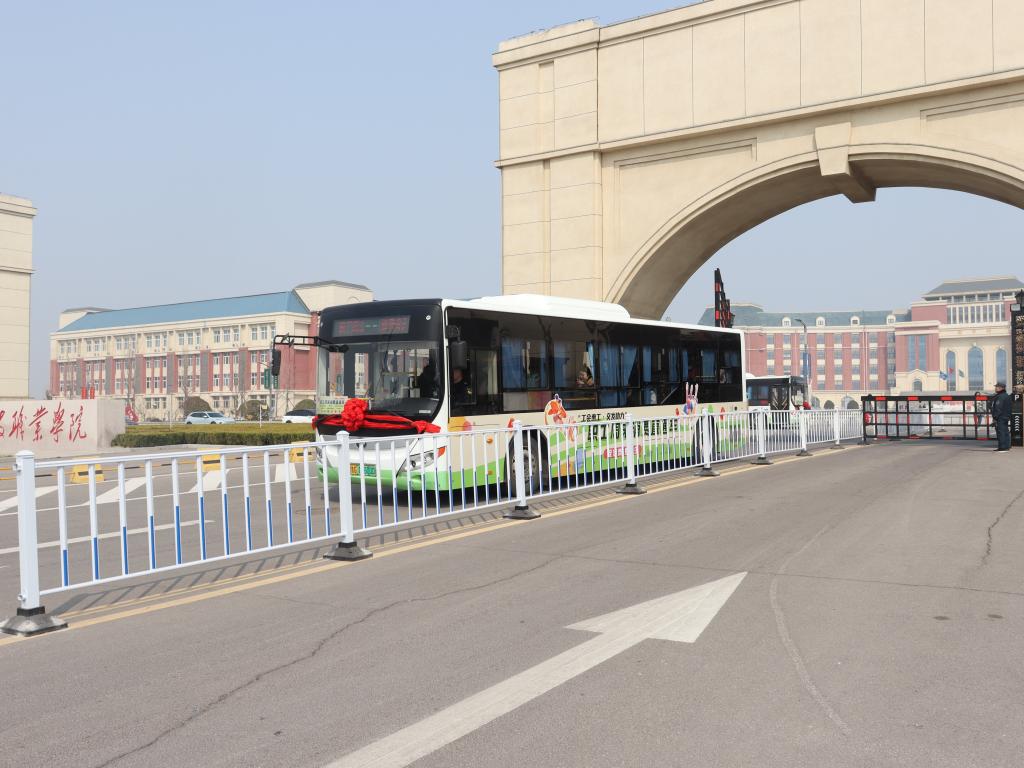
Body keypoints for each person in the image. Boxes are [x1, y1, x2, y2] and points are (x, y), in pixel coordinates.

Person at [990, 382, 1012, 452]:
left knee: (1001, 432)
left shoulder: (1001, 396)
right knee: (1005, 432)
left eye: (997, 387)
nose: (995, 388)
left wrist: (995, 418)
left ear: (1001, 388)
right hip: (1005, 416)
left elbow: (998, 408)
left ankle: (1003, 447)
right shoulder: (1006, 395)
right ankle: (1007, 446)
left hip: (1000, 417)